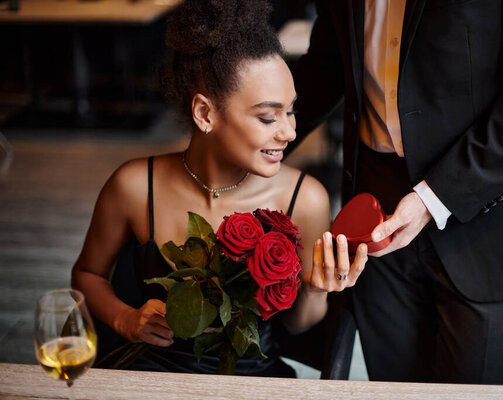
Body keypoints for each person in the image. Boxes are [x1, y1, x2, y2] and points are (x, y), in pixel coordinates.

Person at [290, 0, 503, 384]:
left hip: (486, 218)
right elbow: (329, 63)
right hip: (375, 214)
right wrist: (247, 135)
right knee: (392, 391)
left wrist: (435, 197)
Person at [71, 0, 368, 377]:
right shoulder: (133, 185)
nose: (290, 132)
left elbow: (299, 326)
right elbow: (87, 275)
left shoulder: (305, 199)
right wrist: (125, 318)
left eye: (291, 110)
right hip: (150, 378)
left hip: (255, 383)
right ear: (205, 114)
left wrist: (314, 289)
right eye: (267, 116)